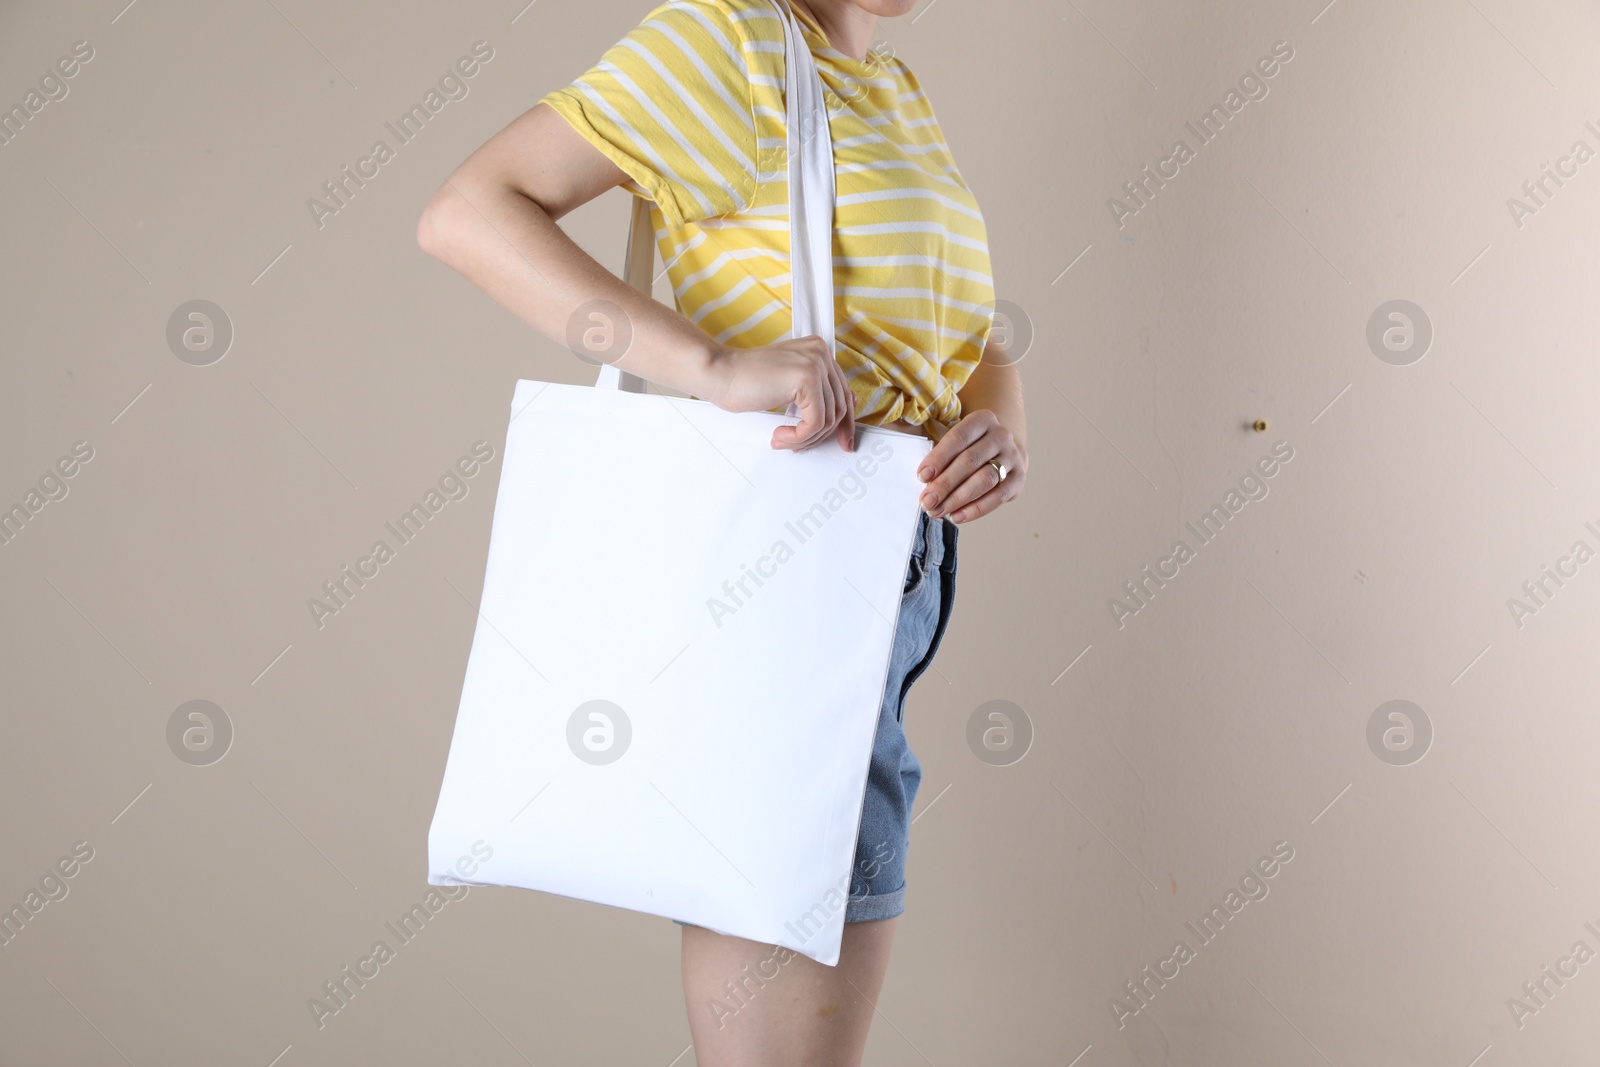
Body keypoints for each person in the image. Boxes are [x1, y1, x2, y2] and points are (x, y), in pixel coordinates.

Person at [416, 0, 1027, 1061]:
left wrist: (999, 431)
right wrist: (710, 368)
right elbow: (468, 212)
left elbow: (972, 340)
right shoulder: (726, 41)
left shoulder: (885, 85)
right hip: (794, 578)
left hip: (893, 573)